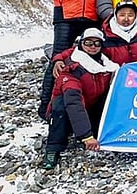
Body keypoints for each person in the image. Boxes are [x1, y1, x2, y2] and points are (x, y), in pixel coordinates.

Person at [35, 0, 108, 120]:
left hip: (92, 17)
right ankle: (46, 106)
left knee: (92, 58)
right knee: (57, 59)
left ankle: (89, 104)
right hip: (66, 17)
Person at [41, 28, 118, 170]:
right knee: (61, 106)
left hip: (90, 107)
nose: (93, 47)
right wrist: (86, 135)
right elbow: (74, 103)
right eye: (88, 43)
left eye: (97, 43)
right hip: (69, 111)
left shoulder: (106, 64)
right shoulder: (71, 69)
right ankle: (52, 148)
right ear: (81, 44)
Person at [55, 0, 137, 66]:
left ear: (136, 16)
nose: (126, 19)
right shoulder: (104, 35)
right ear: (115, 16)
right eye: (122, 15)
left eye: (130, 15)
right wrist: (59, 58)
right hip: (115, 78)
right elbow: (81, 47)